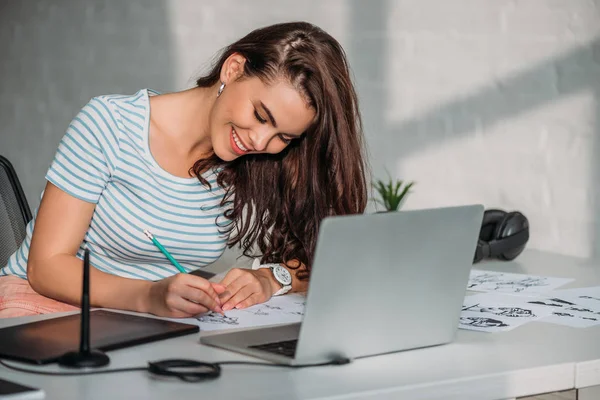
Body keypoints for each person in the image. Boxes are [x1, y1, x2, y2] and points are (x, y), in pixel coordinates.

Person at [0, 21, 368, 318]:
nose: (260, 141)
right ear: (233, 68)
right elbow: (45, 267)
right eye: (260, 115)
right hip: (38, 312)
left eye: (283, 136)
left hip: (137, 325)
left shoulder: (252, 162)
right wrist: (149, 296)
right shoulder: (111, 124)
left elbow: (325, 251)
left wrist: (271, 278)